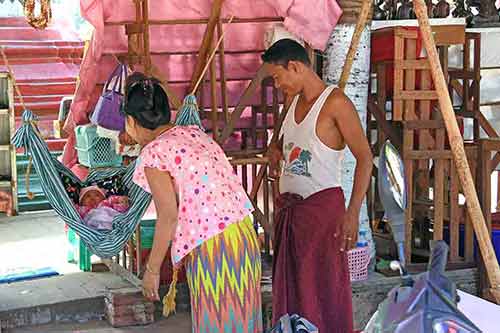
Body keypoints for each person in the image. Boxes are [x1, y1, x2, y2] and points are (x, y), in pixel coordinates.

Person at [123, 72, 262, 332]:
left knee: (218, 323)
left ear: (131, 122)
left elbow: (168, 216)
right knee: (242, 321)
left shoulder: (154, 152)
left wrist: (152, 271)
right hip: (242, 237)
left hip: (214, 248)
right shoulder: (193, 134)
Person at [263, 39, 373, 333]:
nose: (277, 84)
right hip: (292, 215)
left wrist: (352, 213)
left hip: (323, 214)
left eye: (277, 76)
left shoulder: (336, 104)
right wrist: (275, 150)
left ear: (296, 66)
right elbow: (281, 138)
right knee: (294, 293)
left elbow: (365, 158)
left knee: (323, 293)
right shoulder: (293, 101)